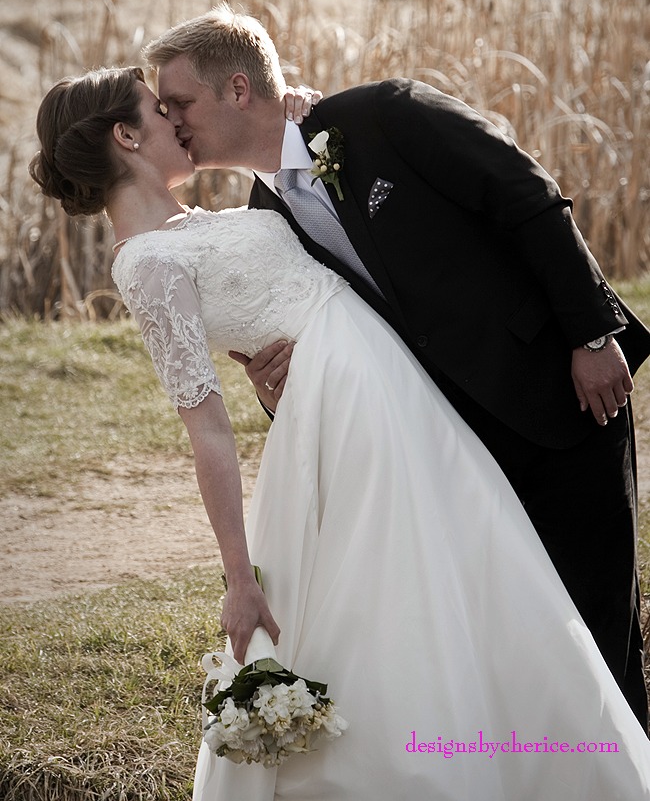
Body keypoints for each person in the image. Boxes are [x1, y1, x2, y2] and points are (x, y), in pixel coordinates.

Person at [30, 64, 650, 800]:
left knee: (482, 578)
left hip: (397, 397)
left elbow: (305, 243)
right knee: (402, 597)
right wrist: (238, 576)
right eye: (157, 112)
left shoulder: (214, 213)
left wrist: (297, 112)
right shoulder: (148, 263)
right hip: (357, 420)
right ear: (127, 136)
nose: (175, 121)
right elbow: (208, 432)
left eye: (177, 104)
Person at [145, 4, 650, 731]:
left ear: (237, 89)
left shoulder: (381, 116)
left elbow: (524, 191)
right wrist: (275, 389)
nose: (173, 119)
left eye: (180, 102)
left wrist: (593, 332)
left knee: (602, 636)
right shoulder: (262, 224)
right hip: (450, 454)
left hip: (557, 399)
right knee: (523, 651)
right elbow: (331, 344)